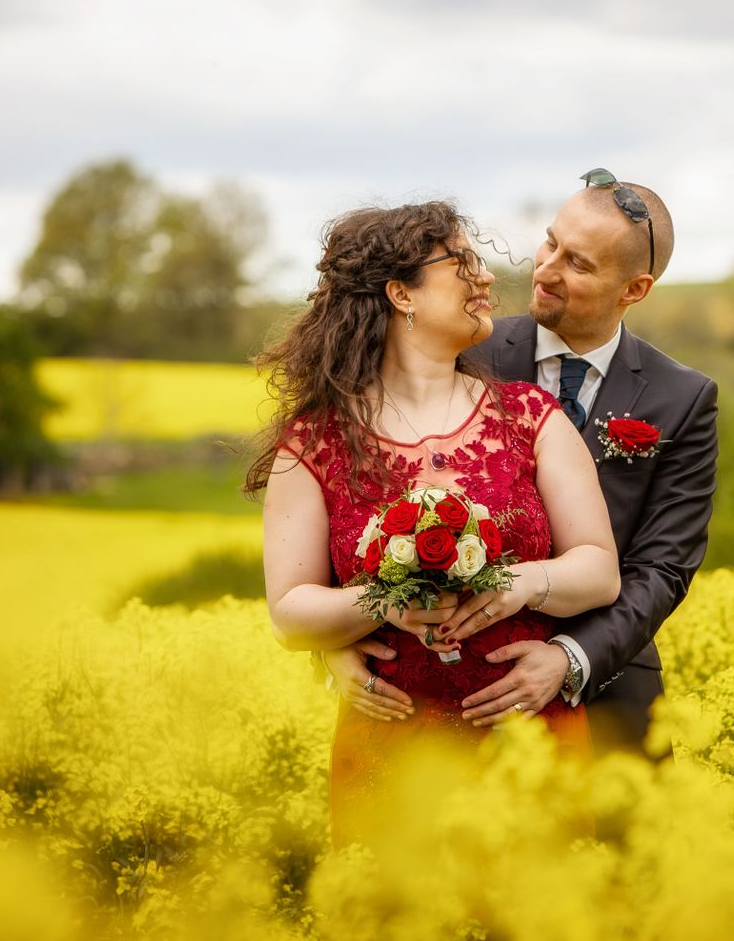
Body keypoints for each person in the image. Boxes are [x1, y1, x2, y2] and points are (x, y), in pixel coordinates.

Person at [248, 201, 621, 846]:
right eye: (462, 263)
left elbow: (599, 568)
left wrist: (521, 584)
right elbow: (290, 612)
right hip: (393, 749)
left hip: (529, 738)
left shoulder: (530, 416)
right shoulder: (315, 443)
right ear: (401, 294)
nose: (485, 280)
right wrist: (385, 602)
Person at [324, 169, 719, 756]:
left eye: (578, 264)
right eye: (550, 242)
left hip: (606, 692)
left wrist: (568, 658)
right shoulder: (461, 345)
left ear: (633, 290)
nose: (545, 269)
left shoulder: (681, 398)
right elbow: (362, 491)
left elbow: (662, 568)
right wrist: (334, 639)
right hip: (435, 696)